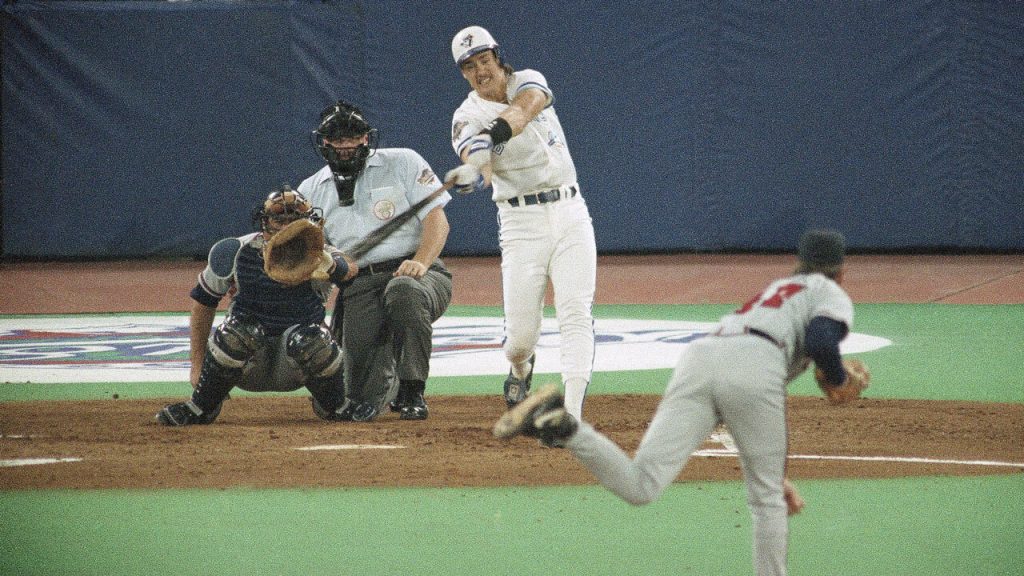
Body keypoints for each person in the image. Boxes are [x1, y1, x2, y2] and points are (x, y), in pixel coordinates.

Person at [494, 229, 867, 576]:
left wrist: (775, 472)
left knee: (642, 484)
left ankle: (566, 426)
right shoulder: (829, 292)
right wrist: (837, 378)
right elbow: (821, 339)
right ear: (842, 272)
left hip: (701, 356)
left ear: (797, 262)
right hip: (757, 361)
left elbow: (749, 384)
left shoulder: (782, 286)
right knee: (766, 500)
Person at [445, 25, 597, 419]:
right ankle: (519, 368)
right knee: (520, 339)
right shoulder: (466, 117)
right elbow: (476, 159)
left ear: (497, 57)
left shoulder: (528, 80)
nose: (480, 71)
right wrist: (473, 168)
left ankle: (573, 413)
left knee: (575, 311)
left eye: (484, 60)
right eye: (469, 67)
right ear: (462, 73)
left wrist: (493, 134)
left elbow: (528, 106)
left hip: (570, 211)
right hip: (521, 222)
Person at [297, 100, 453, 421]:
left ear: (367, 139)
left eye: (353, 137)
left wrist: (421, 262)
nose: (346, 146)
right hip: (359, 285)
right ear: (323, 143)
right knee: (347, 401)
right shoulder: (310, 191)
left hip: (418, 274)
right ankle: (388, 374)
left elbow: (437, 221)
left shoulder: (404, 162)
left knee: (403, 291)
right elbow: (315, 258)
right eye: (337, 139)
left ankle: (412, 392)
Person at [156, 186, 362, 426]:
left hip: (297, 364)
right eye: (279, 218)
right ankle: (201, 406)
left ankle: (335, 405)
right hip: (249, 362)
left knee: (313, 338)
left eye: (294, 219)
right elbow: (203, 302)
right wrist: (197, 363)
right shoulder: (234, 251)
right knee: (236, 332)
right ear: (265, 223)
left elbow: (350, 271)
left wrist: (332, 265)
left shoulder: (320, 253)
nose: (287, 226)